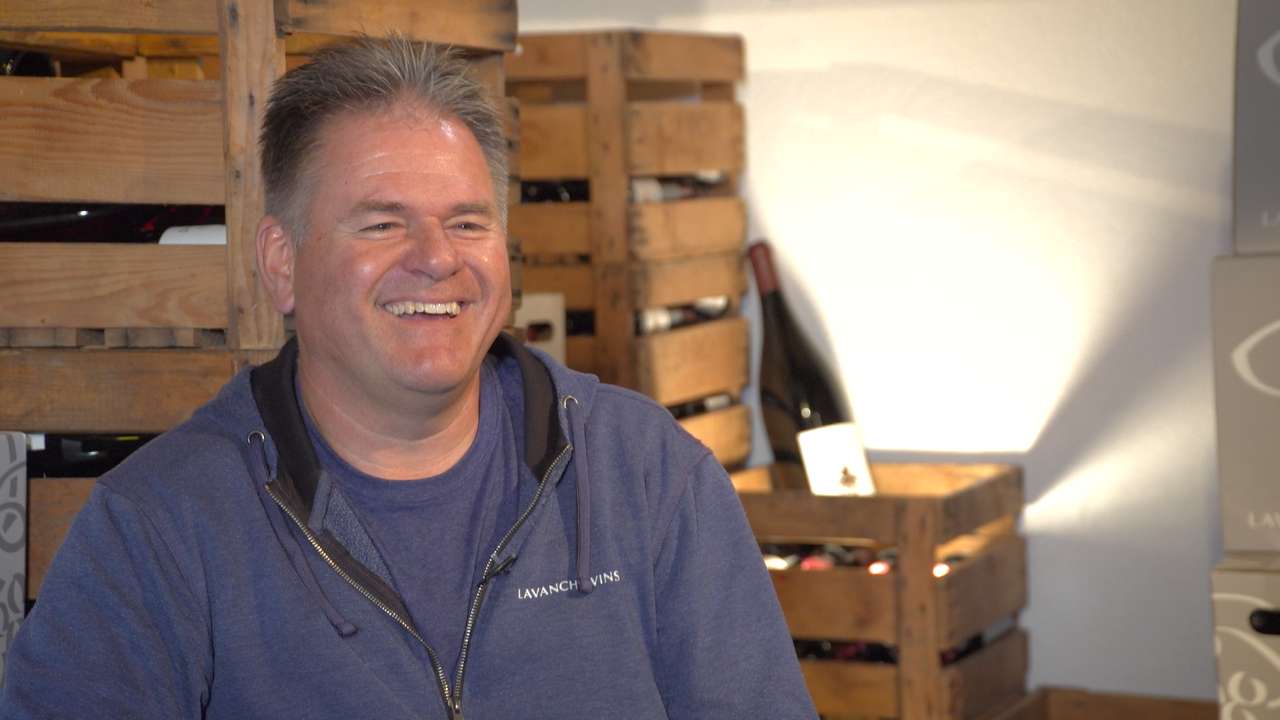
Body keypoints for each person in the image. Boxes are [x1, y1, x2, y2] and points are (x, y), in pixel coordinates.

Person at [0, 37, 816, 719]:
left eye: (467, 221)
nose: (437, 258)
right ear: (281, 264)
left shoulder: (646, 475)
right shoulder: (159, 526)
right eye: (383, 223)